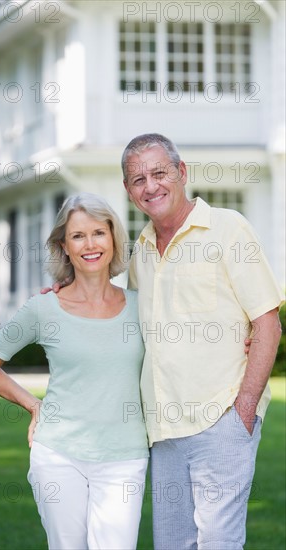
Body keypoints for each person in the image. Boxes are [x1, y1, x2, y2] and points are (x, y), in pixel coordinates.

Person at [121, 133, 284, 550]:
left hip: (221, 419)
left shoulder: (228, 227)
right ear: (129, 191)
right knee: (173, 545)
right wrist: (62, 295)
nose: (150, 186)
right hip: (163, 429)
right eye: (138, 179)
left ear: (181, 173)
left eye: (159, 173)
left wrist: (244, 410)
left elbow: (267, 322)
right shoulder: (140, 251)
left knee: (218, 543)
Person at [0, 193, 149, 550]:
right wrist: (33, 405)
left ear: (113, 237)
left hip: (125, 457)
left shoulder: (141, 305)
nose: (90, 244)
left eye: (98, 232)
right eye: (78, 236)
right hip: (58, 453)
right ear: (64, 246)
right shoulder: (44, 308)